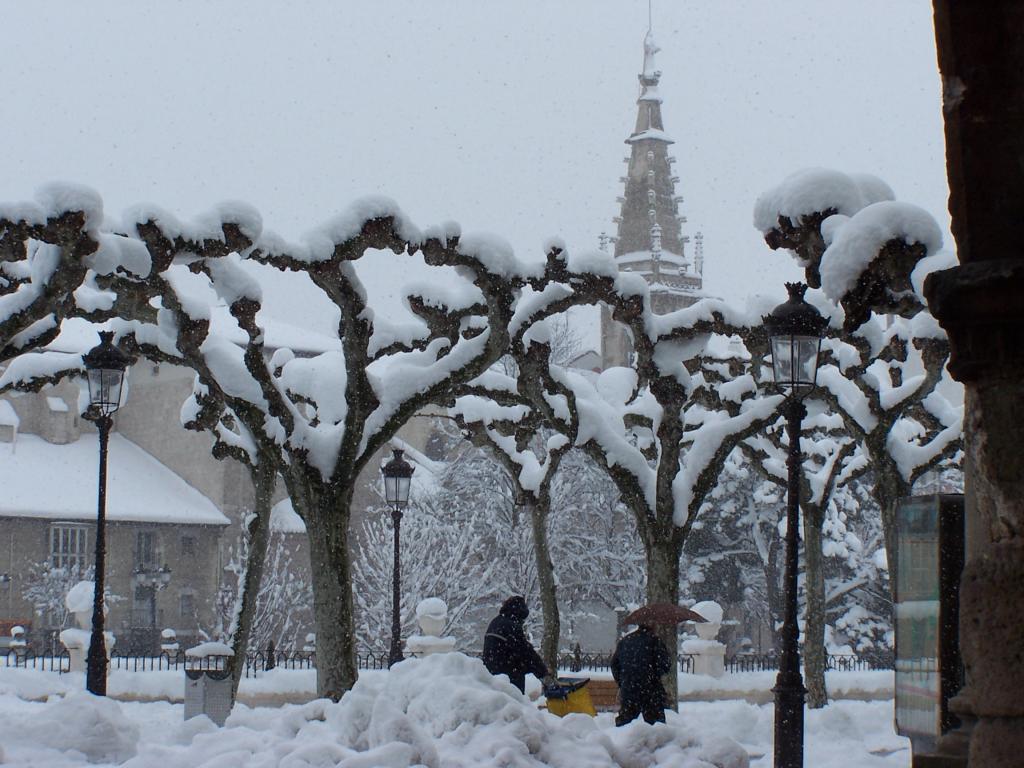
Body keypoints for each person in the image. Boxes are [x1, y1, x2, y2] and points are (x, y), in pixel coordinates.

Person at [481, 595, 548, 693]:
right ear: (519, 613)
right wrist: (543, 671)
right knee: (514, 702)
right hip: (509, 675)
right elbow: (526, 652)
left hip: (491, 674)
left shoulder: (495, 622)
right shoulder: (511, 626)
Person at [610, 622, 670, 726]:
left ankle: (622, 739)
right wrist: (653, 675)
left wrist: (622, 681)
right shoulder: (655, 641)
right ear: (653, 626)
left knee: (626, 722)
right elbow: (665, 665)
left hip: (629, 688)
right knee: (656, 725)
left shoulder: (625, 641)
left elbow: (614, 664)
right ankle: (656, 741)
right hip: (651, 689)